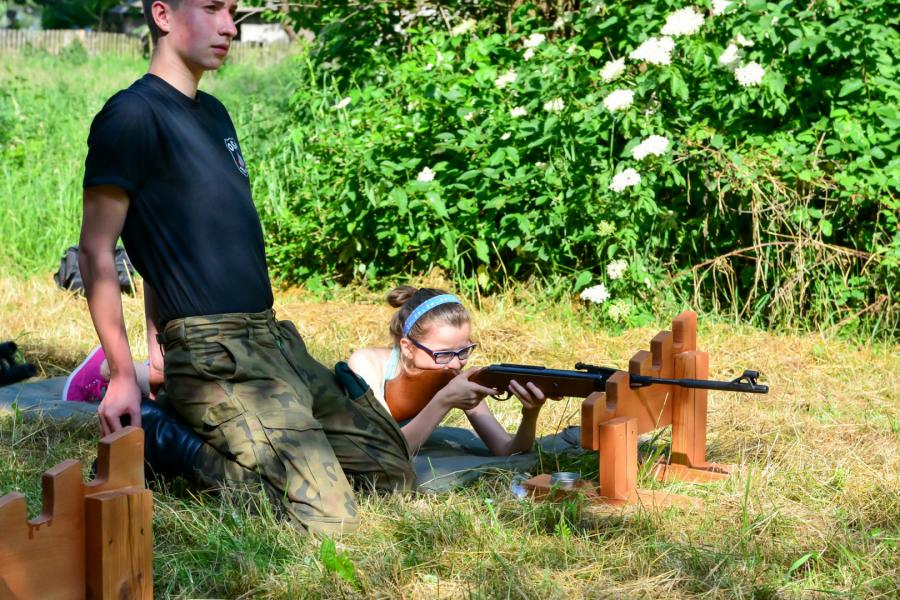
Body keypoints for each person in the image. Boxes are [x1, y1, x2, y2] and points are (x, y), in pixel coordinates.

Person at [78, 0, 413, 534]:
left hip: (272, 341)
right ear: (162, 15)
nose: (230, 27)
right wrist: (123, 375)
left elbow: (175, 238)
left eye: (232, 10)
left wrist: (155, 347)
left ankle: (244, 441)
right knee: (330, 519)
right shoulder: (131, 116)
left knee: (392, 473)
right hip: (215, 354)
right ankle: (170, 443)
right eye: (212, 8)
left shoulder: (214, 114)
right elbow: (97, 251)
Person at [348, 286, 550, 456]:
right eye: (443, 354)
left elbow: (508, 451)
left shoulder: (450, 377)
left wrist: (530, 414)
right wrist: (444, 400)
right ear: (408, 348)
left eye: (463, 351)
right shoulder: (367, 364)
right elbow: (387, 450)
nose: (455, 364)